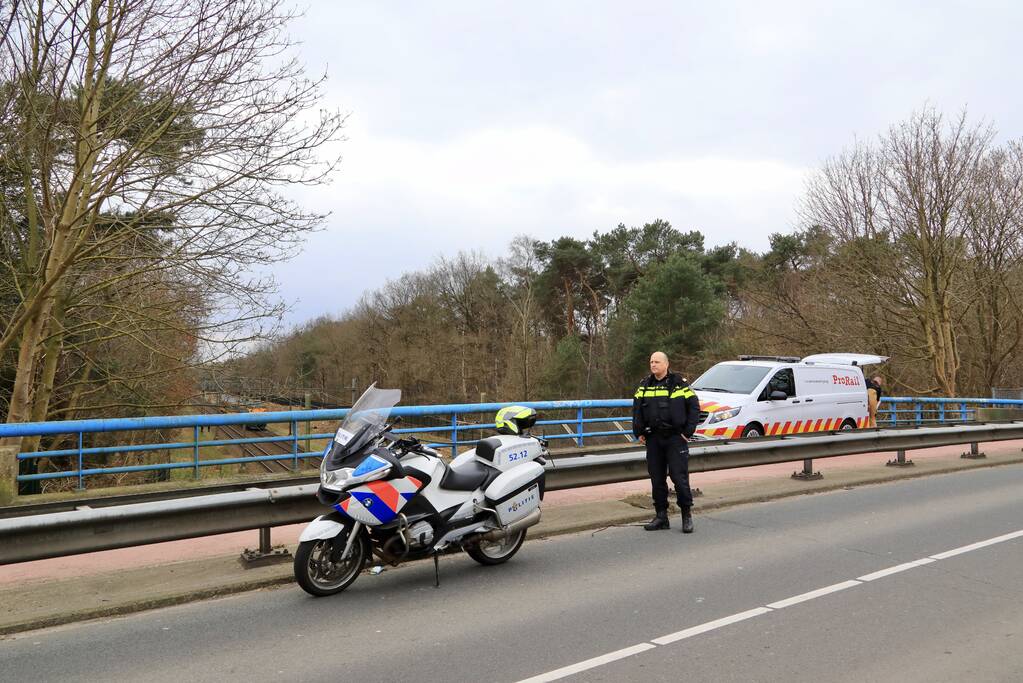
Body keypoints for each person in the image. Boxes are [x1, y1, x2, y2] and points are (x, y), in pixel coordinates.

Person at [632, 351, 701, 533]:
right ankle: (661, 516)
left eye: (657, 362)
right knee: (657, 479)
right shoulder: (645, 385)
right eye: (651, 362)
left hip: (675, 438)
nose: (653, 365)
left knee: (679, 478)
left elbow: (694, 408)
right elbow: (637, 408)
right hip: (654, 439)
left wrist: (687, 432)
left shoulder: (679, 383)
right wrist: (638, 431)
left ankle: (686, 515)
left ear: (666, 364)